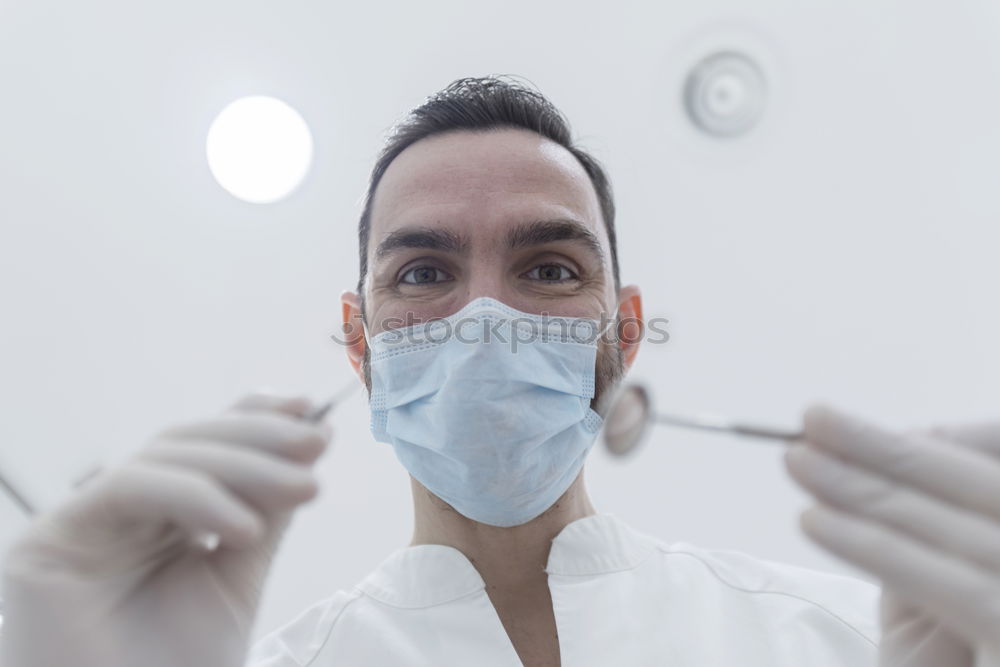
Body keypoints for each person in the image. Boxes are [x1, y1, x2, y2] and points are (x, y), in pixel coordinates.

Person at [2, 75, 999, 667]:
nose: (485, 317)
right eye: (425, 270)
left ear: (625, 335)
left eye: (549, 268)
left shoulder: (844, 641)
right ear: (360, 343)